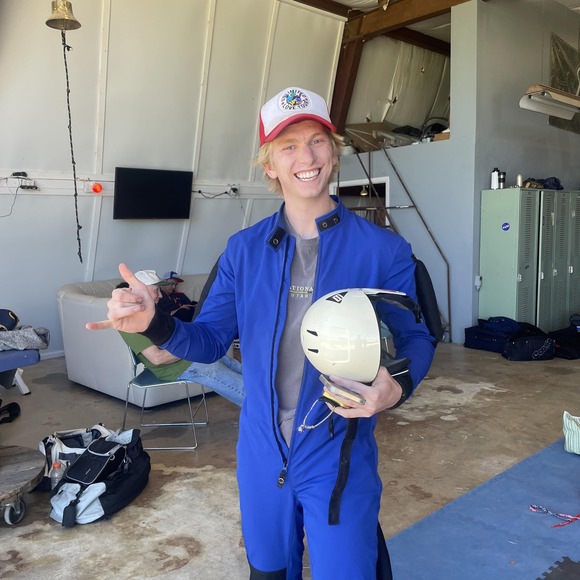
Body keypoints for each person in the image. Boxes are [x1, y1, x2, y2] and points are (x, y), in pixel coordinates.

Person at [87, 86, 436, 578]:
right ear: (269, 165)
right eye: (288, 146)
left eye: (316, 141)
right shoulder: (242, 250)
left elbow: (419, 337)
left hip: (338, 450)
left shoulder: (383, 250)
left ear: (334, 151)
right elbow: (209, 340)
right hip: (260, 451)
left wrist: (395, 386)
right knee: (268, 571)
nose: (306, 158)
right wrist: (155, 324)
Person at [120, 270, 244, 408]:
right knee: (240, 387)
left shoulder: (152, 311)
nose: (160, 295)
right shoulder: (130, 321)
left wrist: (195, 344)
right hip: (176, 368)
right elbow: (158, 358)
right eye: (156, 290)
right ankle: (262, 410)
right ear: (140, 291)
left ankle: (262, 398)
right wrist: (192, 346)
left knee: (238, 367)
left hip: (187, 358)